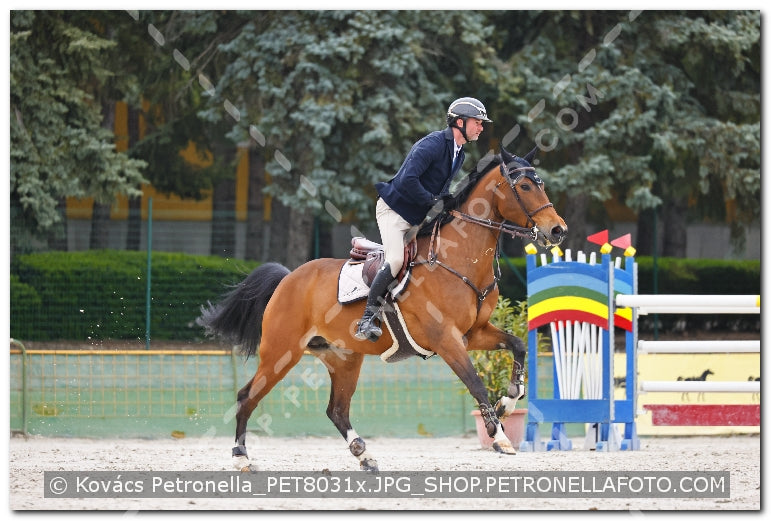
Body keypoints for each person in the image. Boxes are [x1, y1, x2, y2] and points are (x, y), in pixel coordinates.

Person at [354, 97, 492, 341]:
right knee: (396, 260)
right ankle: (366, 319)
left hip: (416, 216)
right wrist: (433, 201)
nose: (481, 128)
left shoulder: (458, 153)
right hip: (394, 210)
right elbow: (408, 180)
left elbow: (440, 190)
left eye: (481, 124)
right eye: (477, 122)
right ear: (460, 122)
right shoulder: (433, 144)